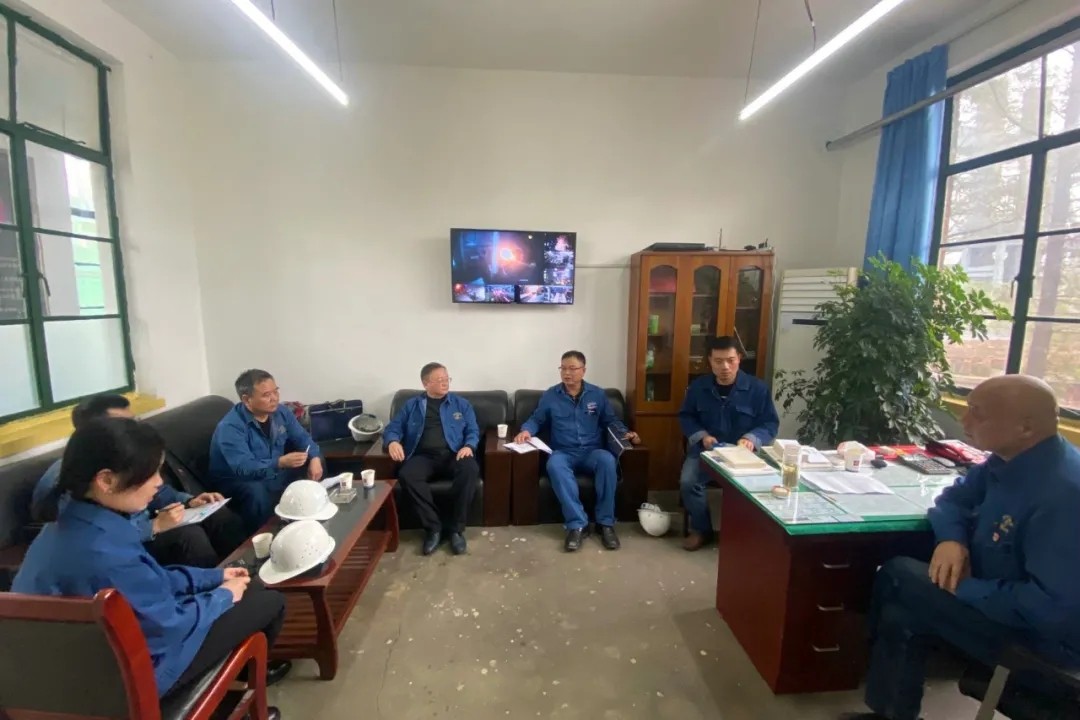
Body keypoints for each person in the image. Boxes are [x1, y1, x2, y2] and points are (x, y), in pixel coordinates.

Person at [12, 419, 290, 716]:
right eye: (151, 473)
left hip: (61, 675)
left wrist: (213, 577)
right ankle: (221, 704)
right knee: (266, 600)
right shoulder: (103, 549)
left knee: (239, 591)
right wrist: (224, 595)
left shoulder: (71, 521)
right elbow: (169, 625)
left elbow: (149, 583)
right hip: (122, 684)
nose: (159, 483)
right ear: (106, 480)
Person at [844, 375, 1080, 720]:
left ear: (1025, 428)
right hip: (1000, 594)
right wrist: (951, 539)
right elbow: (953, 499)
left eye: (977, 413)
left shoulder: (1063, 495)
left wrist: (964, 588)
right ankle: (891, 713)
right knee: (902, 605)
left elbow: (1051, 610)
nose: (963, 420)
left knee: (899, 575)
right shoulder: (1008, 459)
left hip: (1043, 643)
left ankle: (865, 676)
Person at [30, 393, 247, 568]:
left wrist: (190, 501)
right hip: (131, 540)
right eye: (125, 423)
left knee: (217, 512)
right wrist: (154, 526)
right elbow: (96, 536)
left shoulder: (129, 456)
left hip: (147, 524)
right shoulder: (71, 479)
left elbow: (160, 492)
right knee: (188, 536)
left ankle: (246, 568)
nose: (134, 429)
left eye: (134, 421)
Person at [514, 350, 640, 552]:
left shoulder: (597, 394)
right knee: (554, 464)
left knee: (608, 461)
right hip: (564, 452)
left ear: (583, 370)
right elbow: (537, 419)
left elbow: (611, 421)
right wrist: (526, 430)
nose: (567, 373)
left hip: (592, 451)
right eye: (563, 368)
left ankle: (605, 523)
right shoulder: (551, 395)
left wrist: (627, 434)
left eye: (572, 368)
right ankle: (577, 524)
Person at [677, 336, 779, 551]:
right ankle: (701, 530)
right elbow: (686, 416)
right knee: (688, 482)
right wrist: (702, 436)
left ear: (739, 358)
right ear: (710, 361)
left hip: (744, 454)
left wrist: (752, 438)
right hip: (707, 451)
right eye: (718, 361)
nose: (725, 367)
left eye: (730, 360)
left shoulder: (757, 389)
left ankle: (742, 534)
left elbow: (770, 423)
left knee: (758, 486)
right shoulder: (698, 388)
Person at [208, 369, 324, 534]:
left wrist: (314, 457)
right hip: (240, 481)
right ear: (247, 400)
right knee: (256, 491)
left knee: (315, 461)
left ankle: (312, 518)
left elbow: (303, 438)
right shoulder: (230, 427)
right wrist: (280, 462)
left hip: (273, 472)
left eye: (276, 391)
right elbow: (244, 467)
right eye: (266, 395)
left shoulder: (281, 412)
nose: (274, 398)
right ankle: (267, 536)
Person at [383, 362, 480, 556]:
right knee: (407, 475)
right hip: (424, 456)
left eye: (447, 378)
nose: (445, 383)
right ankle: (434, 528)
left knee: (470, 469)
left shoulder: (461, 404)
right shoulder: (412, 405)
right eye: (440, 380)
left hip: (454, 453)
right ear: (426, 383)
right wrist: (392, 441)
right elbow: (393, 429)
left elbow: (473, 430)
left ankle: (456, 530)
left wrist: (468, 446)